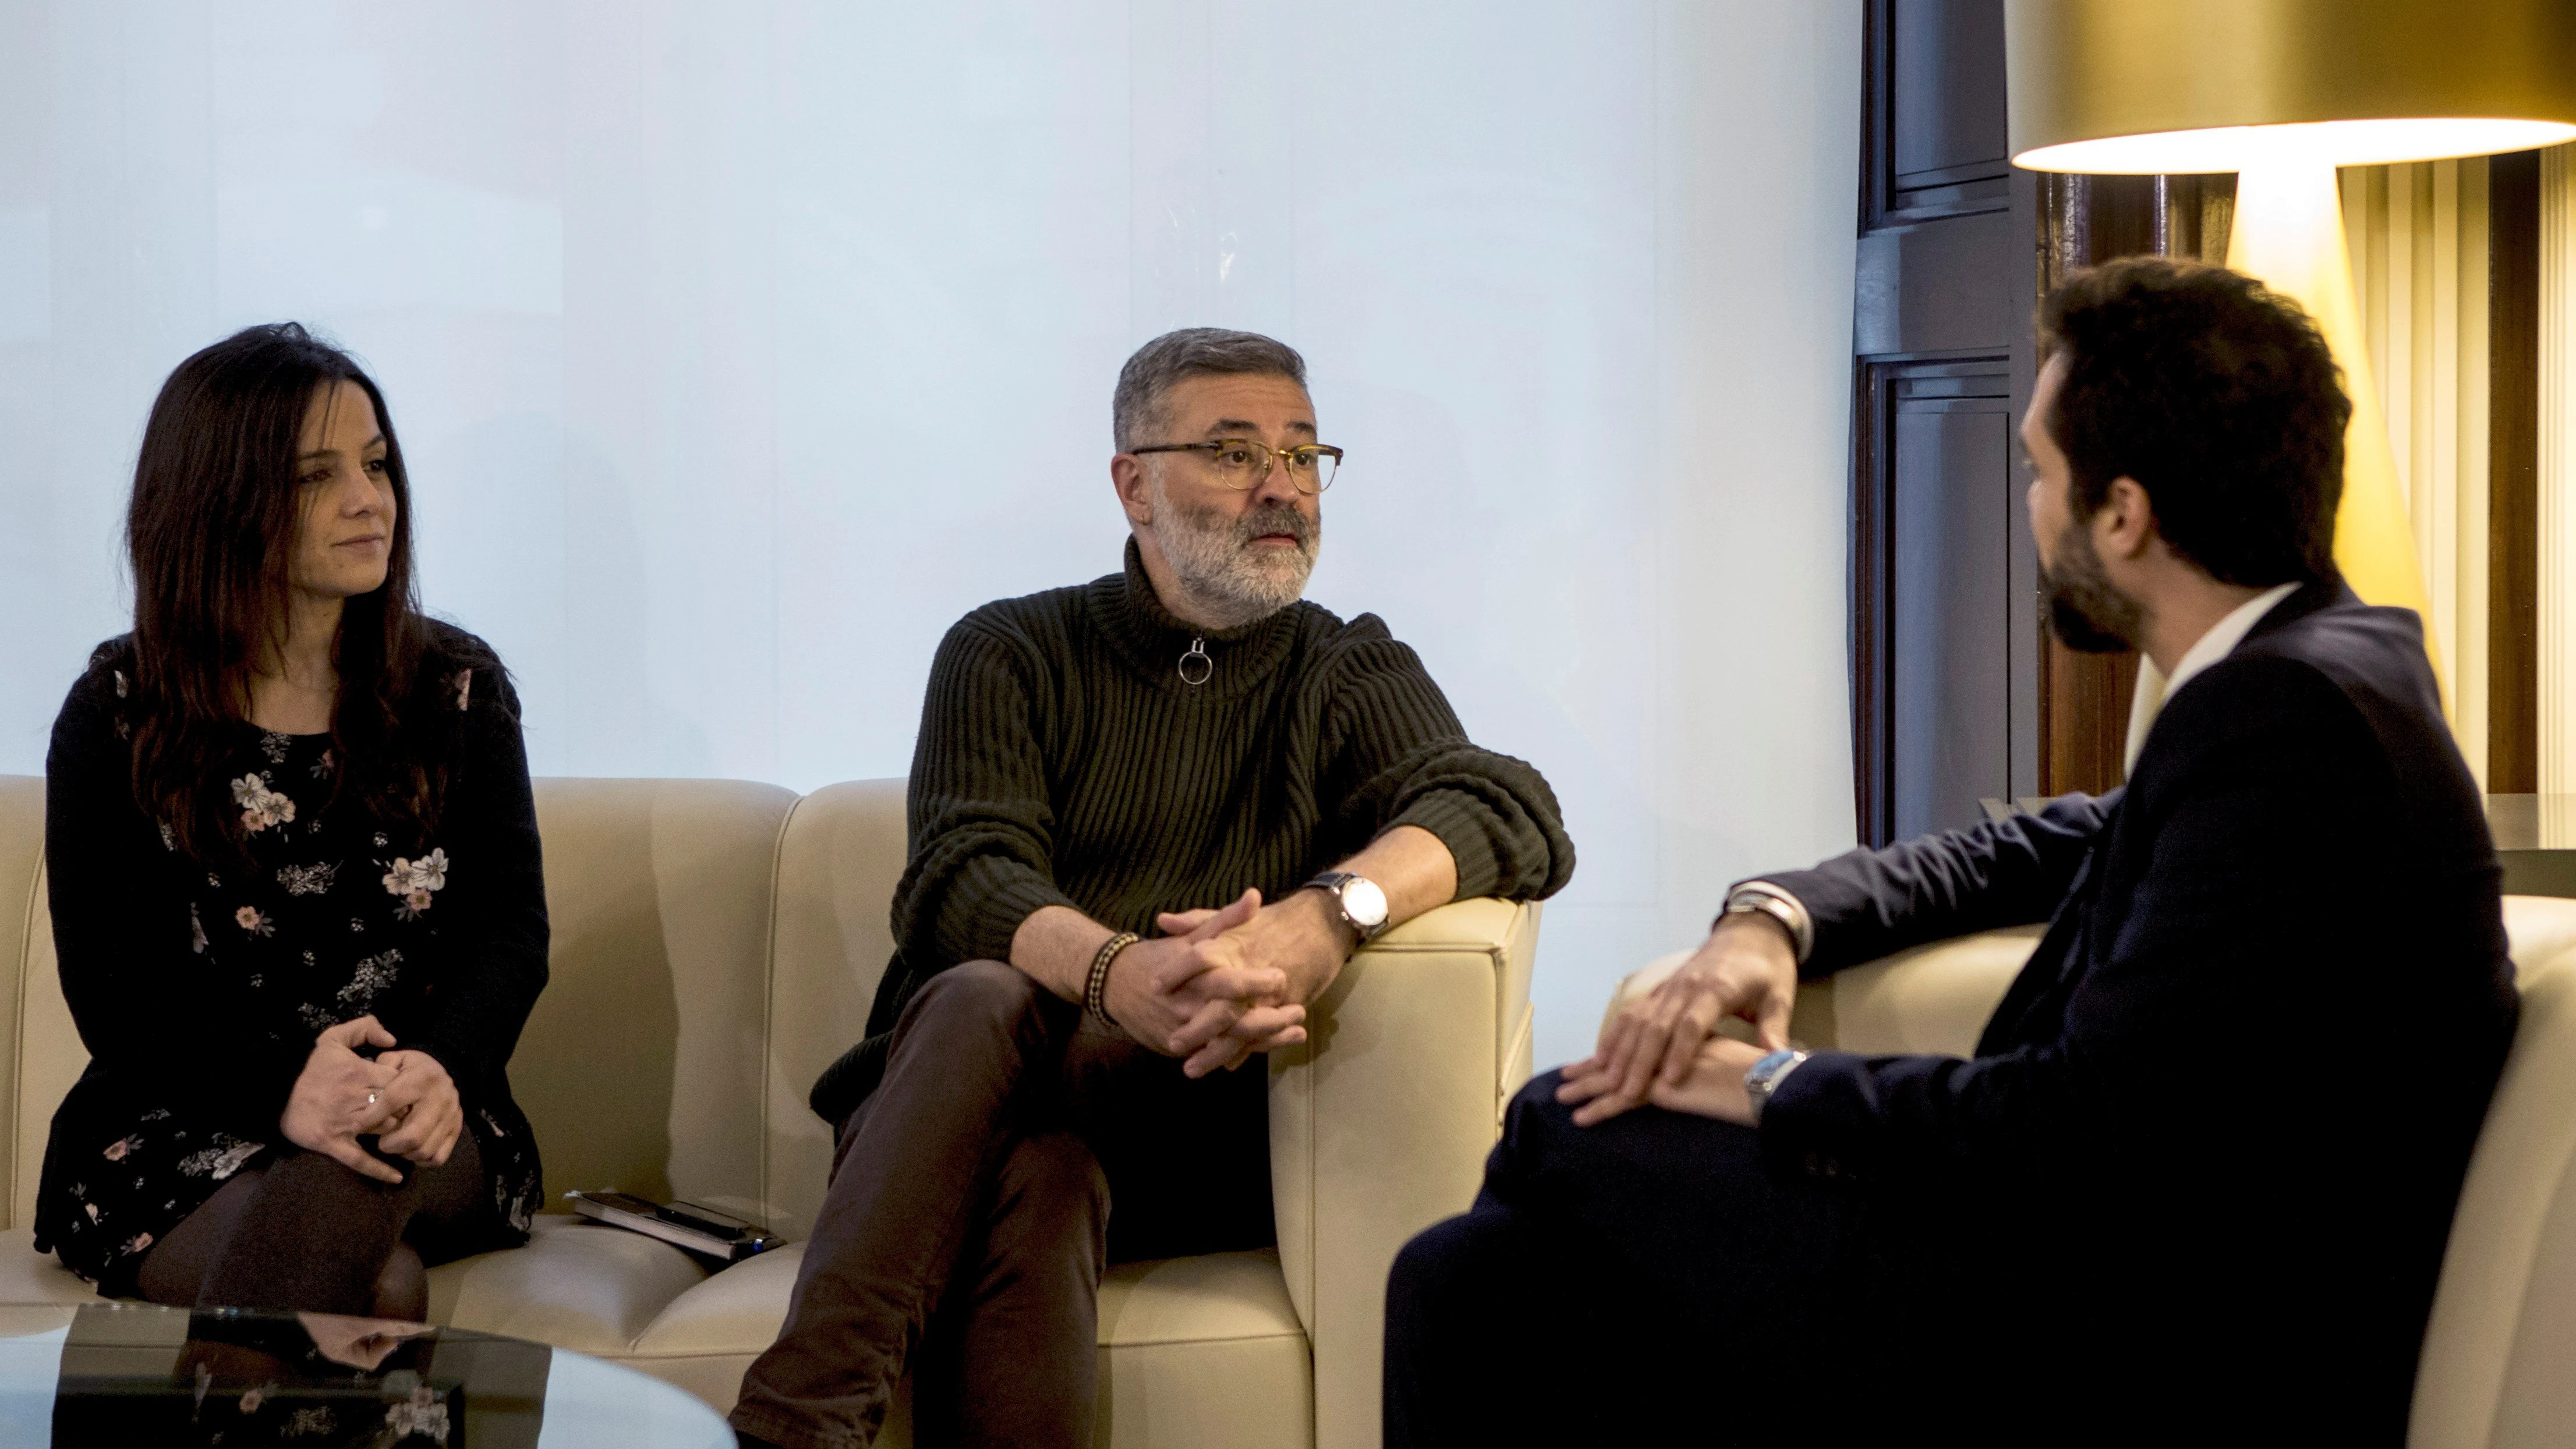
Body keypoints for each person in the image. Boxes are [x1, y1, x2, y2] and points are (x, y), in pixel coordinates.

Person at [1383, 258, 2519, 1447]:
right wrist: (1769, 918)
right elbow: (2041, 845)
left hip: (2129, 1342)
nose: (2031, 504)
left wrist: (1761, 1081)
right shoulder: (2318, 669)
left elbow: (2075, 1127)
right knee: (1461, 1278)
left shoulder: (2284, 723)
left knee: (1556, 1130)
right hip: (2077, 1273)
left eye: (2040, 469)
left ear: (2122, 513)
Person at [730, 328, 1574, 1449]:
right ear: (1133, 484)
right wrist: (1118, 974)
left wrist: (1326, 914)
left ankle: (782, 1435)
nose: (1281, 487)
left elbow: (1506, 805)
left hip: (1185, 1130)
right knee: (1031, 1138)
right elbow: (960, 873)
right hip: (955, 1114)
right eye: (1232, 453)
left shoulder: (1343, 666)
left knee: (1008, 1044)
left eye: (1302, 455)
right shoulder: (1010, 649)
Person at [38, 323, 549, 1321]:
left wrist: (439, 1066)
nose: (370, 499)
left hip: (420, 1111)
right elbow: (116, 988)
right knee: (377, 1284)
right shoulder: (119, 710)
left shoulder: (457, 690)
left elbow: (509, 936)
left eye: (376, 462)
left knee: (346, 1166)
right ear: (219, 501)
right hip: (180, 1124)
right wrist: (285, 1087)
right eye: (318, 476)